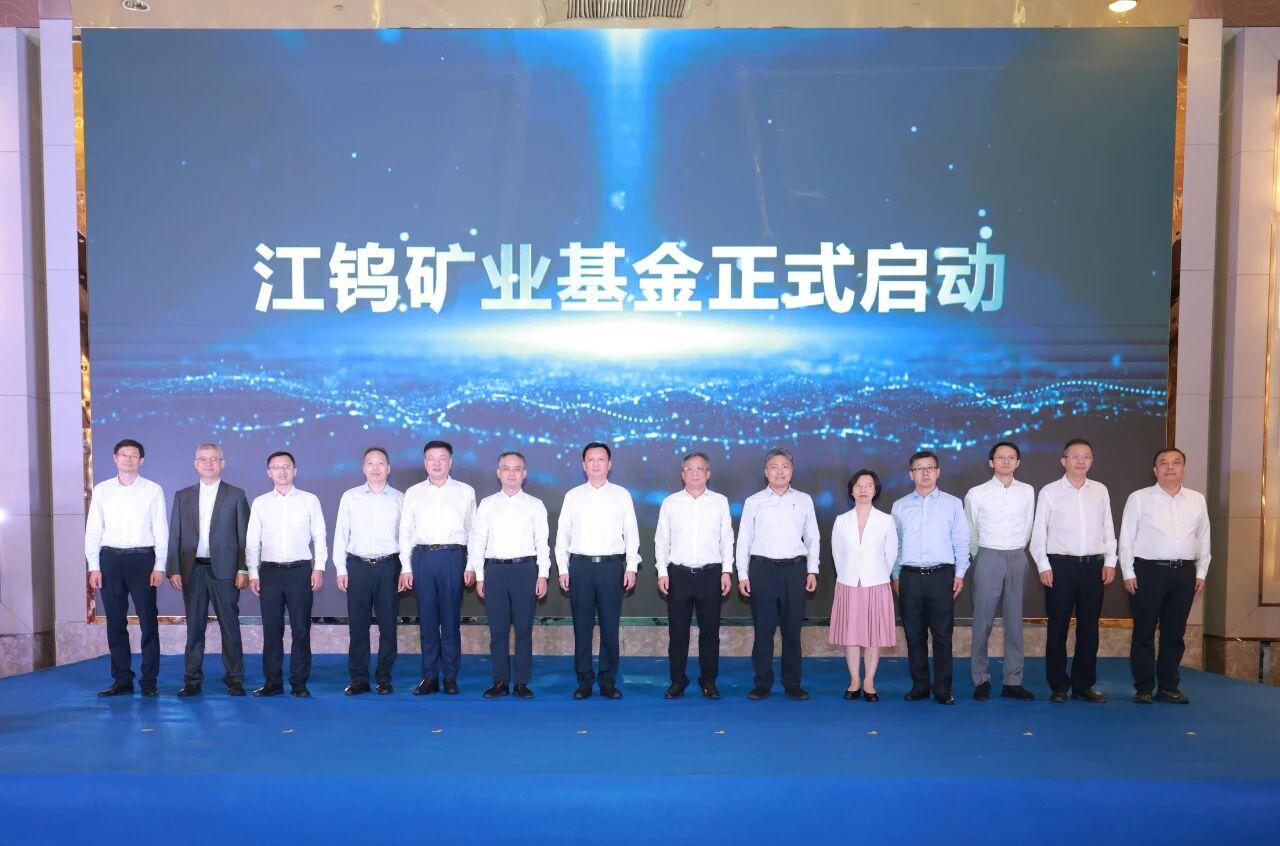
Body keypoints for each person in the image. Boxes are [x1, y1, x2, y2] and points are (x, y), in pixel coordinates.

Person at [1119, 447, 1210, 705]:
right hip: (1148, 572)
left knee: (1174, 633)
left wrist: (1201, 571)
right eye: (1164, 463)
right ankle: (1144, 688)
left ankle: (1169, 687)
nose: (1170, 467)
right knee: (1144, 632)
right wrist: (1128, 571)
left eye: (1176, 462)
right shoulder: (1139, 498)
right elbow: (1126, 537)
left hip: (1184, 573)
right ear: (1155, 470)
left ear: (1183, 468)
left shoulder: (1197, 499)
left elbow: (1204, 537)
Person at [1030, 438, 1117, 703]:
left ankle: (1083, 685)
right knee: (1058, 627)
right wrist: (1043, 565)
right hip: (1060, 567)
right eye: (1075, 456)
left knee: (1089, 629)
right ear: (1063, 460)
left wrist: (1110, 561)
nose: (1081, 461)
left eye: (1086, 456)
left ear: (1092, 461)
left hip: (1093, 567)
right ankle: (1058, 686)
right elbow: (1038, 532)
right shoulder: (1050, 491)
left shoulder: (1100, 490)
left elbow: (1108, 528)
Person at [555, 442, 640, 700]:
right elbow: (562, 535)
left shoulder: (622, 495)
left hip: (611, 567)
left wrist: (631, 566)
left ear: (609, 464)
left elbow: (632, 533)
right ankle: (584, 682)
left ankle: (607, 681)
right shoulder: (572, 496)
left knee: (609, 628)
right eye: (590, 459)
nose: (595, 464)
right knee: (582, 628)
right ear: (583, 465)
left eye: (601, 459)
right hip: (580, 567)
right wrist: (563, 568)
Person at [165, 442, 251, 697]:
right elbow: (175, 534)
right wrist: (174, 568)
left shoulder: (236, 495)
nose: (208, 463)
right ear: (195, 464)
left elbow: (244, 536)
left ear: (222, 463)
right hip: (192, 570)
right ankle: (192, 679)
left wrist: (243, 568)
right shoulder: (182, 496)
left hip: (225, 570)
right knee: (194, 627)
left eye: (214, 459)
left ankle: (235, 678)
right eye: (203, 459)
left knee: (230, 626)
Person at [85, 438, 168, 697]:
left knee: (148, 621)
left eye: (134, 455)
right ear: (115, 458)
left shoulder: (153, 490)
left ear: (141, 460)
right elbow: (93, 530)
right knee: (115, 622)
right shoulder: (102, 490)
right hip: (110, 560)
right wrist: (94, 566)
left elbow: (161, 530)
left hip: (142, 560)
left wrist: (160, 565)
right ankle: (122, 679)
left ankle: (149, 680)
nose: (128, 459)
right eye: (123, 454)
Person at [737, 448, 820, 701]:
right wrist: (742, 574)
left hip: (795, 570)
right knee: (763, 630)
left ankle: (792, 683)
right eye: (774, 467)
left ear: (791, 471)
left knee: (792, 631)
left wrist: (812, 570)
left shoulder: (804, 500)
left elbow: (813, 537)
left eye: (784, 466)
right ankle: (762, 683)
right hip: (762, 570)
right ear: (766, 472)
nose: (779, 471)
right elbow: (744, 539)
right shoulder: (754, 501)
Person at [891, 450, 970, 705]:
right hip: (910, 576)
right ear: (910, 474)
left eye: (929, 468)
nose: (924, 473)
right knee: (914, 635)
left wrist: (960, 573)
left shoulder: (953, 503)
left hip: (941, 576)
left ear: (938, 472)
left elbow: (961, 540)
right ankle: (920, 686)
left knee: (942, 635)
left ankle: (943, 688)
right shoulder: (900, 506)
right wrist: (896, 576)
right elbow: (896, 544)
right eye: (919, 469)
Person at [246, 451, 327, 698]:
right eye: (276, 467)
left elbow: (320, 536)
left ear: (295, 470)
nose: (282, 471)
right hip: (269, 573)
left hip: (300, 571)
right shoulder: (260, 503)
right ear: (268, 472)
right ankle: (272, 682)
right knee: (272, 630)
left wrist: (319, 567)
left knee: (301, 629)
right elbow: (252, 541)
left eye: (286, 467)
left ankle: (299, 682)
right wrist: (253, 572)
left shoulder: (309, 500)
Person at [398, 440, 476, 696]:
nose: (437, 463)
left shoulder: (465, 491)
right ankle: (429, 676)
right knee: (428, 620)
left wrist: (471, 564)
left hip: (453, 557)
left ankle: (450, 677)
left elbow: (473, 531)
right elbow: (406, 532)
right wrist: (406, 567)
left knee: (451, 621)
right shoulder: (413, 493)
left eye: (442, 458)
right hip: (422, 558)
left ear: (450, 462)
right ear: (424, 463)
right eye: (431, 458)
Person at [470, 451, 550, 700]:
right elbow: (477, 541)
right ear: (499, 473)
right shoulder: (487, 504)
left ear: (524, 474)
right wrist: (480, 576)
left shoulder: (535, 505)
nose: (512, 474)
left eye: (517, 469)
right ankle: (500, 682)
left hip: (525, 570)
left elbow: (542, 542)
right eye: (506, 468)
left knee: (524, 630)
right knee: (498, 631)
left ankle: (522, 682)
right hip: (494, 571)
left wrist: (543, 575)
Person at [655, 452, 733, 700]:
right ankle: (677, 681)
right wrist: (662, 571)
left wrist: (727, 571)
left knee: (710, 632)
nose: (695, 473)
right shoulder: (670, 502)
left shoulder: (720, 502)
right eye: (690, 468)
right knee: (678, 632)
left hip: (711, 574)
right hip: (678, 575)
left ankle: (708, 681)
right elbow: (661, 540)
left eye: (700, 469)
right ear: (683, 474)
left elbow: (727, 538)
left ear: (708, 474)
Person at [962, 441, 1036, 701]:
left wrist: (1016, 550)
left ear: (1018, 462)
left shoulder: (1027, 491)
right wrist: (980, 557)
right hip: (987, 555)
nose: (1006, 461)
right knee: (982, 621)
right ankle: (980, 679)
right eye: (1001, 457)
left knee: (1014, 621)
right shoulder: (976, 493)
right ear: (991, 462)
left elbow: (1028, 526)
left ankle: (1013, 682)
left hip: (1017, 555)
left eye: (1011, 457)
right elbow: (971, 530)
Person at [333, 447, 404, 696]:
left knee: (388, 626)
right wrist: (340, 568)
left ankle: (384, 678)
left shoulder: (400, 499)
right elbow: (340, 534)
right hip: (358, 567)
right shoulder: (350, 497)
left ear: (388, 468)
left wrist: (406, 568)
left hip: (389, 567)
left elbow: (407, 537)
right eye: (370, 463)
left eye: (380, 463)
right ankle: (358, 678)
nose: (375, 468)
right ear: (363, 468)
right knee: (358, 626)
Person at [829, 470, 897, 703]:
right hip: (848, 584)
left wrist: (874, 574)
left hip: (875, 584)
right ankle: (854, 680)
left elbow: (890, 555)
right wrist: (850, 575)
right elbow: (837, 554)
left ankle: (869, 681)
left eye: (869, 485)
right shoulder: (841, 521)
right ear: (852, 490)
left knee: (872, 636)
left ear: (875, 491)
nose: (863, 489)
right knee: (851, 636)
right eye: (859, 485)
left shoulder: (886, 520)